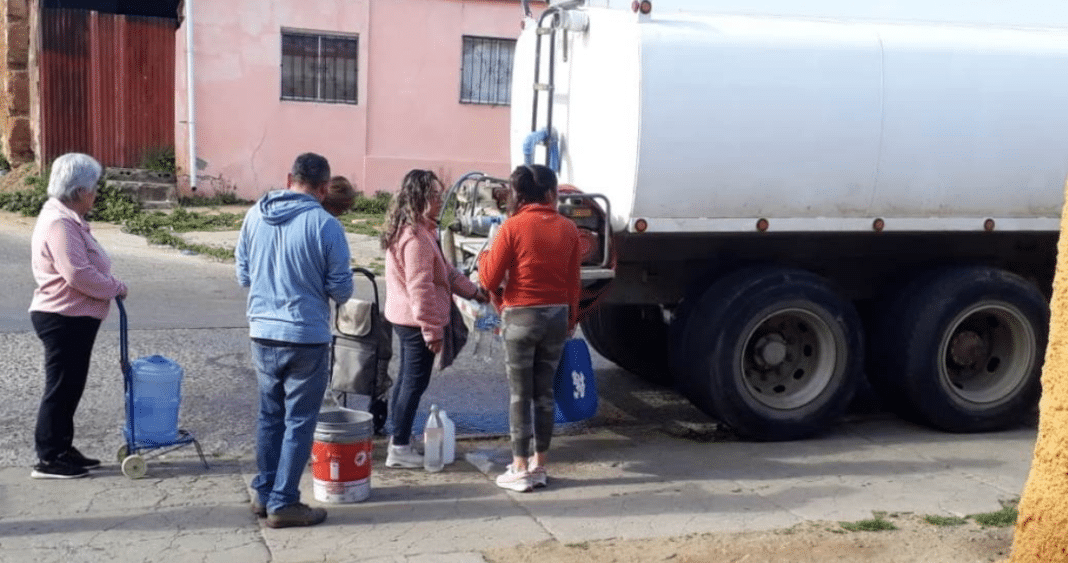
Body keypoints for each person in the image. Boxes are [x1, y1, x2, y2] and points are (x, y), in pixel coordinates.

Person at [236, 152, 353, 528]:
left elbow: (243, 273)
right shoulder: (325, 225)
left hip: (262, 332)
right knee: (299, 422)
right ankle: (284, 502)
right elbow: (342, 289)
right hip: (305, 335)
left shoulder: (255, 215)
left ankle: (264, 491)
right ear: (323, 189)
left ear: (289, 178)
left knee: (270, 416)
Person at [478, 164, 581, 492]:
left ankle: (519, 466)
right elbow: (574, 282)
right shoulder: (569, 229)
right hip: (557, 316)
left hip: (520, 316)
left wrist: (485, 266)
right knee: (544, 393)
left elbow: (489, 279)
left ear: (519, 194)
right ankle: (540, 464)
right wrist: (571, 320)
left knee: (520, 395)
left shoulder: (512, 226)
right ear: (551, 193)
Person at [28, 152, 128, 480]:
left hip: (70, 316)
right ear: (79, 191)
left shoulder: (67, 218)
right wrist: (114, 287)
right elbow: (77, 274)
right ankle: (49, 457)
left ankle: (62, 447)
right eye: (93, 188)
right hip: (63, 316)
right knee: (61, 387)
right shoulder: (60, 223)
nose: (96, 193)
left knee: (70, 386)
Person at [380, 169, 487, 468]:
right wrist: (432, 330)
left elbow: (446, 273)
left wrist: (474, 292)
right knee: (413, 383)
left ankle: (398, 439)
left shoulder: (420, 230)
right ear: (420, 199)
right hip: (415, 322)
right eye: (436, 196)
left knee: (406, 382)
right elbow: (421, 287)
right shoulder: (414, 238)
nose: (441, 200)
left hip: (407, 319)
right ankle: (399, 448)